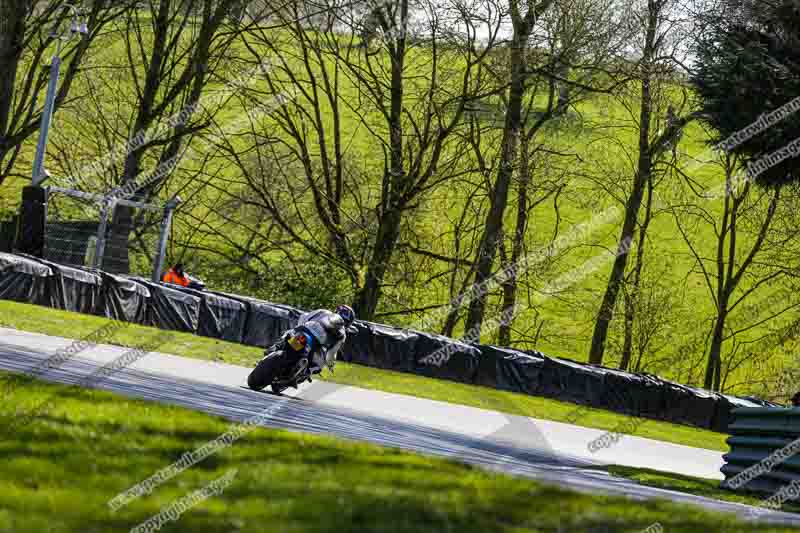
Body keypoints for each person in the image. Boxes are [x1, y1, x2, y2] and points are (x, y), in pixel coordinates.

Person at [286, 304, 356, 377]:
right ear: (348, 322)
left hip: (303, 331)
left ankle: (296, 370)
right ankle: (300, 374)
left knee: (289, 336)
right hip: (314, 342)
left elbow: (304, 316)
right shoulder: (343, 333)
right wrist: (330, 364)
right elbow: (331, 354)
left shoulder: (323, 311)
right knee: (319, 366)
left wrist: (298, 328)